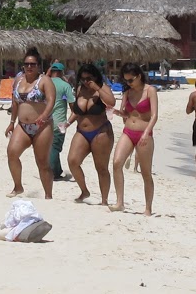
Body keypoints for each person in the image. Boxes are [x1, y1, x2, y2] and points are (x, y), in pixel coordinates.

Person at [5, 47, 57, 199]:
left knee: (42, 162)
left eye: (33, 64)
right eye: (27, 64)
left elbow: (51, 100)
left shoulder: (44, 81)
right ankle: (18, 186)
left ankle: (48, 195)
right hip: (22, 125)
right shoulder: (18, 80)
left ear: (38, 66)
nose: (29, 67)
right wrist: (11, 122)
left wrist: (44, 115)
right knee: (12, 153)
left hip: (42, 126)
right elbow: (15, 103)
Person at [63, 63, 116, 204]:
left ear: (95, 77)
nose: (86, 82)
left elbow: (112, 102)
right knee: (73, 161)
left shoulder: (102, 88)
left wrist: (97, 88)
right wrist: (67, 123)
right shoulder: (80, 89)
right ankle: (84, 191)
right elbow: (76, 111)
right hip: (82, 132)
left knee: (101, 168)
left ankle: (104, 200)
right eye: (83, 79)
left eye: (89, 78)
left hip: (101, 132)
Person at [112, 63, 158, 214]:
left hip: (144, 133)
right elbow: (126, 114)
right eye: (126, 80)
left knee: (145, 172)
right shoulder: (127, 92)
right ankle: (120, 202)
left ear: (138, 76)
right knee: (117, 162)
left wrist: (146, 132)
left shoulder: (150, 90)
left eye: (131, 80)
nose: (128, 83)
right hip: (128, 132)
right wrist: (118, 113)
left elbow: (154, 115)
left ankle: (148, 208)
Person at [47, 61, 74, 182]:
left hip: (44, 120)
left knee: (48, 147)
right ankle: (54, 173)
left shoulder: (44, 83)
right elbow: (72, 104)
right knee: (55, 148)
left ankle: (56, 170)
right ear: (62, 72)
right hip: (59, 121)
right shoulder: (65, 86)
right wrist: (70, 121)